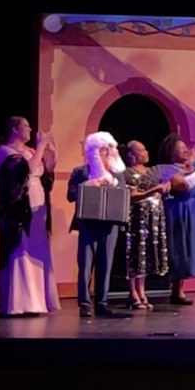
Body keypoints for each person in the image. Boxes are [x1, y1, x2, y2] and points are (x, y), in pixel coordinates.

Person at [0, 117, 59, 316]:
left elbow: (44, 173)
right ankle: (23, 302)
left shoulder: (31, 151)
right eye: (25, 126)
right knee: (21, 248)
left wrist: (53, 153)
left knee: (37, 248)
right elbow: (26, 171)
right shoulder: (5, 152)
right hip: (19, 210)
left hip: (38, 204)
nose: (30, 129)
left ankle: (39, 300)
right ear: (14, 129)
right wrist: (41, 146)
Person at [67, 132, 130, 319]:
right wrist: (90, 184)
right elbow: (71, 195)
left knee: (106, 265)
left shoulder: (117, 175)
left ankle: (102, 304)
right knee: (85, 265)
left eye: (109, 149)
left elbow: (124, 194)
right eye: (103, 149)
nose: (107, 153)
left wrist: (114, 183)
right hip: (88, 223)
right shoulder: (81, 171)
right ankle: (84, 304)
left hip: (110, 225)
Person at [156, 134, 195, 305]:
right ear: (171, 153)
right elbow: (184, 185)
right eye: (180, 148)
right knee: (180, 249)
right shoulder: (166, 169)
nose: (185, 150)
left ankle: (179, 290)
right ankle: (176, 290)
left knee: (192, 250)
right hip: (178, 212)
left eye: (185, 147)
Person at [121, 140, 169, 310]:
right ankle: (132, 292)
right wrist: (154, 190)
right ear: (132, 155)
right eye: (141, 150)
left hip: (152, 219)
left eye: (145, 149)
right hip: (137, 219)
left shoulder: (150, 172)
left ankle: (142, 291)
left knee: (146, 255)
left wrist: (165, 188)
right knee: (135, 253)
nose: (146, 152)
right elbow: (132, 196)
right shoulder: (127, 173)